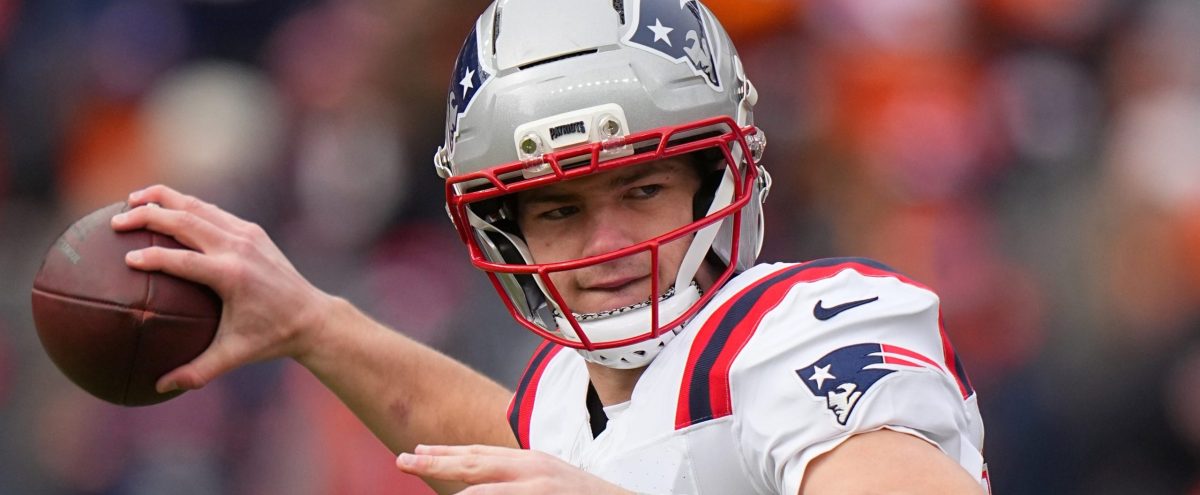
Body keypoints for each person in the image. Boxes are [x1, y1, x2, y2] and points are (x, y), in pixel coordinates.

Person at [110, 0, 989, 493]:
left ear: (712, 181)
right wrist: (309, 323)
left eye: (640, 190)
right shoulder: (568, 394)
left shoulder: (801, 332)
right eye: (559, 210)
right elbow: (510, 448)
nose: (605, 243)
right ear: (507, 228)